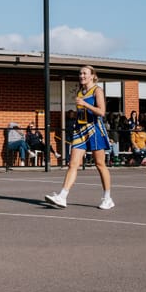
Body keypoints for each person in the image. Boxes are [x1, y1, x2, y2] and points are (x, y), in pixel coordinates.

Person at [45, 66, 114, 210]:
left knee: (99, 164)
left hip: (95, 129)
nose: (81, 75)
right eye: (80, 73)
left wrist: (85, 104)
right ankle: (62, 196)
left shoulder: (97, 91)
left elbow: (101, 112)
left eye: (84, 73)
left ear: (92, 76)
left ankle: (107, 198)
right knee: (72, 164)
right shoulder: (80, 92)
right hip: (80, 130)